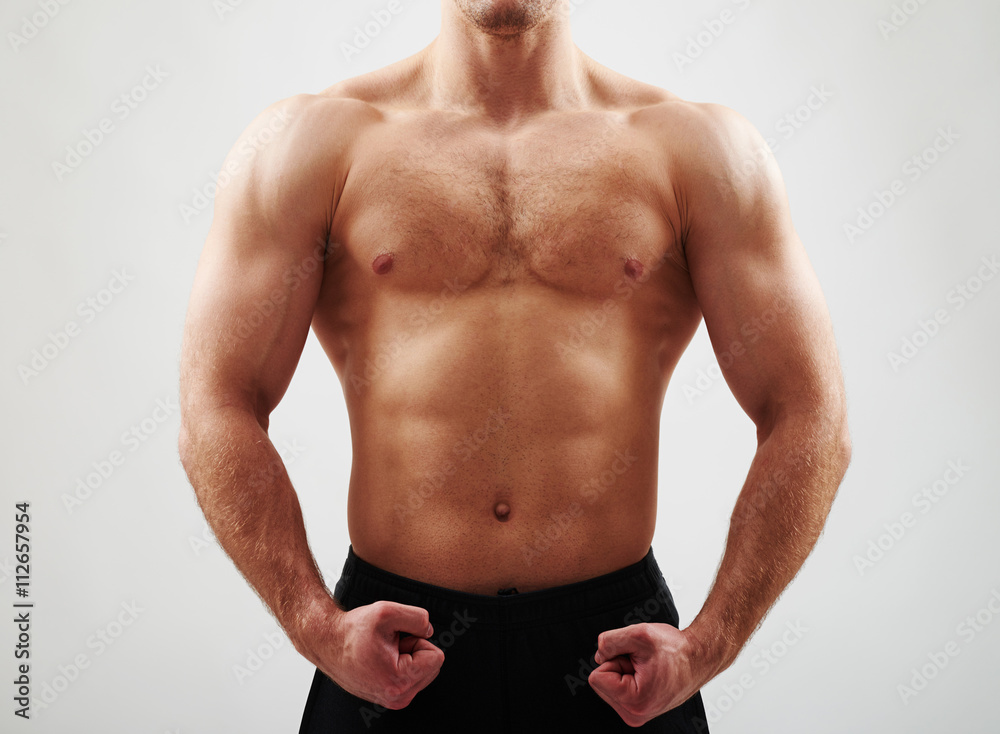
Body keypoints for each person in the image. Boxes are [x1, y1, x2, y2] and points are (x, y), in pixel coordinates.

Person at [177, 1, 852, 731]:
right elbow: (215, 401)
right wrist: (319, 628)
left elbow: (810, 414)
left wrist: (707, 646)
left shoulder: (697, 150)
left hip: (613, 662)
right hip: (387, 644)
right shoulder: (314, 142)